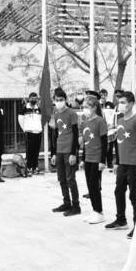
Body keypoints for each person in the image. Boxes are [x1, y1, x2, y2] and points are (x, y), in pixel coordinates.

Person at [105, 91, 136, 238]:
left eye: (123, 102)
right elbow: (119, 142)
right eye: (120, 102)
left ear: (131, 104)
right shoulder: (120, 120)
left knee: (134, 195)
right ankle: (121, 220)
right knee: (118, 191)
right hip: (123, 163)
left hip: (135, 164)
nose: (120, 105)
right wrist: (117, 162)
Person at [50, 88, 81, 217]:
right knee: (61, 179)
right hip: (59, 150)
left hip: (69, 151)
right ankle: (66, 202)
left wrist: (74, 152)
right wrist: (54, 153)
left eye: (61, 100)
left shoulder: (71, 113)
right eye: (57, 100)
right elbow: (55, 134)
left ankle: (76, 205)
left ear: (65, 100)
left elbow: (75, 133)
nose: (59, 102)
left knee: (70, 179)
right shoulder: (56, 114)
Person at [80, 95, 107, 224]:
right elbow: (85, 143)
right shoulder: (85, 122)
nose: (85, 109)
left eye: (87, 107)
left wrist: (103, 161)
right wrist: (82, 159)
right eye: (83, 107)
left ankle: (100, 212)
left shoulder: (100, 121)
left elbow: (104, 142)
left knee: (95, 186)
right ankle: (95, 210)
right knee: (90, 186)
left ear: (94, 107)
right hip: (88, 158)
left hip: (97, 158)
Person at [22, 92, 42, 174]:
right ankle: (29, 167)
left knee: (36, 150)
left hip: (38, 132)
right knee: (29, 151)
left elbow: (40, 119)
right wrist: (25, 129)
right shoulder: (24, 108)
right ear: (29, 99)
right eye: (32, 98)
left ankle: (35, 167)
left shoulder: (39, 108)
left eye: (35, 98)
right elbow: (20, 119)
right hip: (29, 132)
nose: (33, 99)